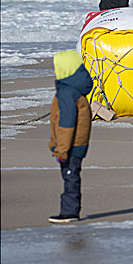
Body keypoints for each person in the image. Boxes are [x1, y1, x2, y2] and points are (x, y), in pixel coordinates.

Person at [47, 50, 94, 223]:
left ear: (66, 70)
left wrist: (61, 150)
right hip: (75, 145)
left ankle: (70, 212)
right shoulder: (73, 90)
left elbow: (66, 124)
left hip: (70, 146)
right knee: (71, 176)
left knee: (70, 177)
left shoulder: (67, 93)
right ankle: (70, 210)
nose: (54, 72)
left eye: (56, 68)